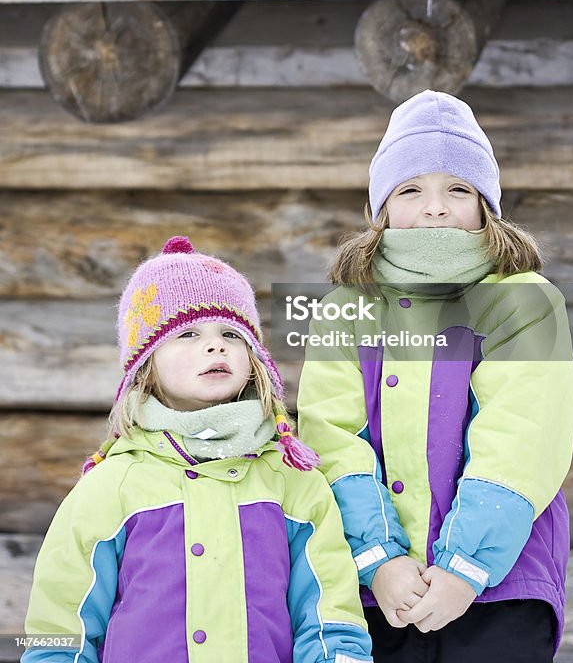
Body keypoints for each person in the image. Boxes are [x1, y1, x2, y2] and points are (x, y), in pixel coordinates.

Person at [297, 90, 573, 662]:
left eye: (457, 188)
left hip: (500, 586)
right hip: (377, 591)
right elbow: (327, 436)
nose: (435, 207)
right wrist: (378, 556)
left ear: (485, 206)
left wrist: (464, 567)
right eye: (410, 189)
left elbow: (524, 433)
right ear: (382, 210)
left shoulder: (524, 302)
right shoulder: (344, 308)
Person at [22, 235, 373, 663]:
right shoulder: (111, 487)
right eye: (187, 333)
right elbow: (58, 628)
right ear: (145, 365)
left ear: (254, 359)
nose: (215, 345)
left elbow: (329, 614)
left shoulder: (293, 481)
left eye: (231, 332)